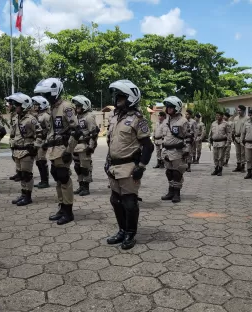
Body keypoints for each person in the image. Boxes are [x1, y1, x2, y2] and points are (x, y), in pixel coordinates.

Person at [105, 79, 154, 250]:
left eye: (120, 97)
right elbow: (110, 142)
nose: (116, 100)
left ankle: (130, 234)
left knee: (129, 202)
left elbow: (148, 146)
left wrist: (141, 166)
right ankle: (121, 230)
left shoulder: (137, 119)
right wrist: (107, 160)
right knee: (115, 200)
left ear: (130, 98)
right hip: (114, 167)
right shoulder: (114, 118)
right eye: (116, 97)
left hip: (128, 167)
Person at [34, 78, 79, 225]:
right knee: (58, 178)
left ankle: (68, 212)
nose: (46, 97)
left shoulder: (67, 107)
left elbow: (76, 130)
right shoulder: (52, 108)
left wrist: (69, 150)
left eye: (48, 94)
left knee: (64, 178)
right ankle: (62, 207)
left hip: (63, 149)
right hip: (54, 149)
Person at [6, 92, 44, 206]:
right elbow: (14, 134)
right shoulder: (16, 118)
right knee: (21, 174)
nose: (14, 107)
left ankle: (28, 196)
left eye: (17, 105)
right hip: (17, 150)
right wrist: (12, 147)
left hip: (27, 150)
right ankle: (23, 194)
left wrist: (35, 147)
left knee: (27, 174)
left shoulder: (31, 119)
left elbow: (40, 133)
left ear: (23, 106)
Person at [160, 96, 190, 203]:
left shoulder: (183, 121)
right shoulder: (165, 121)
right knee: (169, 172)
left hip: (177, 151)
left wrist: (187, 151)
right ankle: (170, 191)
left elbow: (188, 137)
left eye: (171, 107)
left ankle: (177, 193)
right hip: (166, 151)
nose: (168, 109)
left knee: (177, 173)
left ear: (177, 108)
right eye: (167, 107)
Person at [71, 95, 99, 196]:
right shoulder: (76, 117)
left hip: (84, 146)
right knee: (77, 167)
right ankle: (81, 185)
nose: (77, 107)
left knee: (85, 167)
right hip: (76, 146)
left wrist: (91, 147)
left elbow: (94, 133)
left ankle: (86, 187)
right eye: (76, 106)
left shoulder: (89, 117)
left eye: (79, 106)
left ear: (85, 106)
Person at [32, 96, 52, 188]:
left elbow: (49, 130)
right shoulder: (37, 115)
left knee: (41, 160)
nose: (34, 106)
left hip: (43, 140)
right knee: (38, 161)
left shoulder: (46, 116)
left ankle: (45, 181)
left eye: (37, 105)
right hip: (37, 140)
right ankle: (42, 180)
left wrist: (46, 142)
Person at [208, 111, 231, 176]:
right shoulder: (213, 123)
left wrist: (228, 142)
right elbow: (210, 133)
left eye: (219, 115)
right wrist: (209, 142)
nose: (217, 117)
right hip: (215, 142)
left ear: (222, 116)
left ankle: (220, 169)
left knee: (221, 157)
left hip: (222, 142)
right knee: (215, 157)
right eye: (216, 115)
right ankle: (216, 169)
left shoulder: (226, 124)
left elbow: (229, 134)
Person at [8, 99, 21, 182]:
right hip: (13, 138)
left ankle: (21, 173)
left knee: (19, 156)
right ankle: (18, 172)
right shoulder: (12, 115)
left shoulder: (18, 115)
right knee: (15, 156)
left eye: (9, 104)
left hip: (18, 138)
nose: (7, 106)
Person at [232, 105, 248, 173]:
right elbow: (233, 127)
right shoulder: (235, 118)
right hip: (236, 137)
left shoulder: (247, 118)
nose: (239, 111)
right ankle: (238, 166)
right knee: (237, 152)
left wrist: (245, 138)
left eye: (240, 110)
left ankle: (243, 166)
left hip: (243, 137)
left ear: (244, 111)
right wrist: (233, 136)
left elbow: (248, 129)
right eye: (238, 110)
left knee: (243, 153)